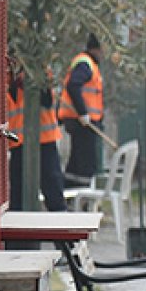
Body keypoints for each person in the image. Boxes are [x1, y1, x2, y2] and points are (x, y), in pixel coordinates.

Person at [6, 67, 67, 211]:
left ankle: (61, 224)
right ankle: (18, 227)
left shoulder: (40, 70)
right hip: (18, 143)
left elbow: (46, 99)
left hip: (43, 140)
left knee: (52, 188)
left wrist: (30, 80)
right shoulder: (6, 75)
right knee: (17, 193)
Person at [58, 34, 106, 188]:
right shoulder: (85, 64)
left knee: (77, 161)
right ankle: (81, 199)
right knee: (86, 163)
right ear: (97, 49)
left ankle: (71, 193)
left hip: (82, 121)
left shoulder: (87, 63)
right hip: (82, 122)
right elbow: (73, 85)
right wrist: (83, 113)